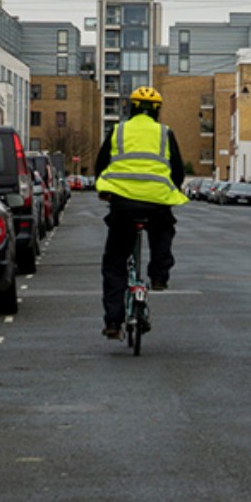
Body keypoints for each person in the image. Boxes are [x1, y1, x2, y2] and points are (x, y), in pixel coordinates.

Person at [93, 85, 189, 339]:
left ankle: (113, 323)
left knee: (114, 263)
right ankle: (158, 276)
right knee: (164, 231)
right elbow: (177, 170)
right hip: (157, 204)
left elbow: (101, 165)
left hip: (123, 204)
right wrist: (172, 189)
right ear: (157, 111)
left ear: (131, 107)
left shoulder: (118, 131)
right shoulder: (165, 133)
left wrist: (104, 189)